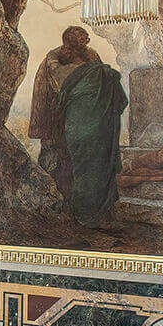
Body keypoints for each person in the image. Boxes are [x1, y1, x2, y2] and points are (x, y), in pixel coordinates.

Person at [28, 26, 127, 226]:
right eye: (80, 39)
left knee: (91, 167)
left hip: (92, 127)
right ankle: (81, 213)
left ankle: (93, 214)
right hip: (76, 126)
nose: (83, 42)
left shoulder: (88, 59)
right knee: (75, 167)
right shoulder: (56, 60)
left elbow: (106, 91)